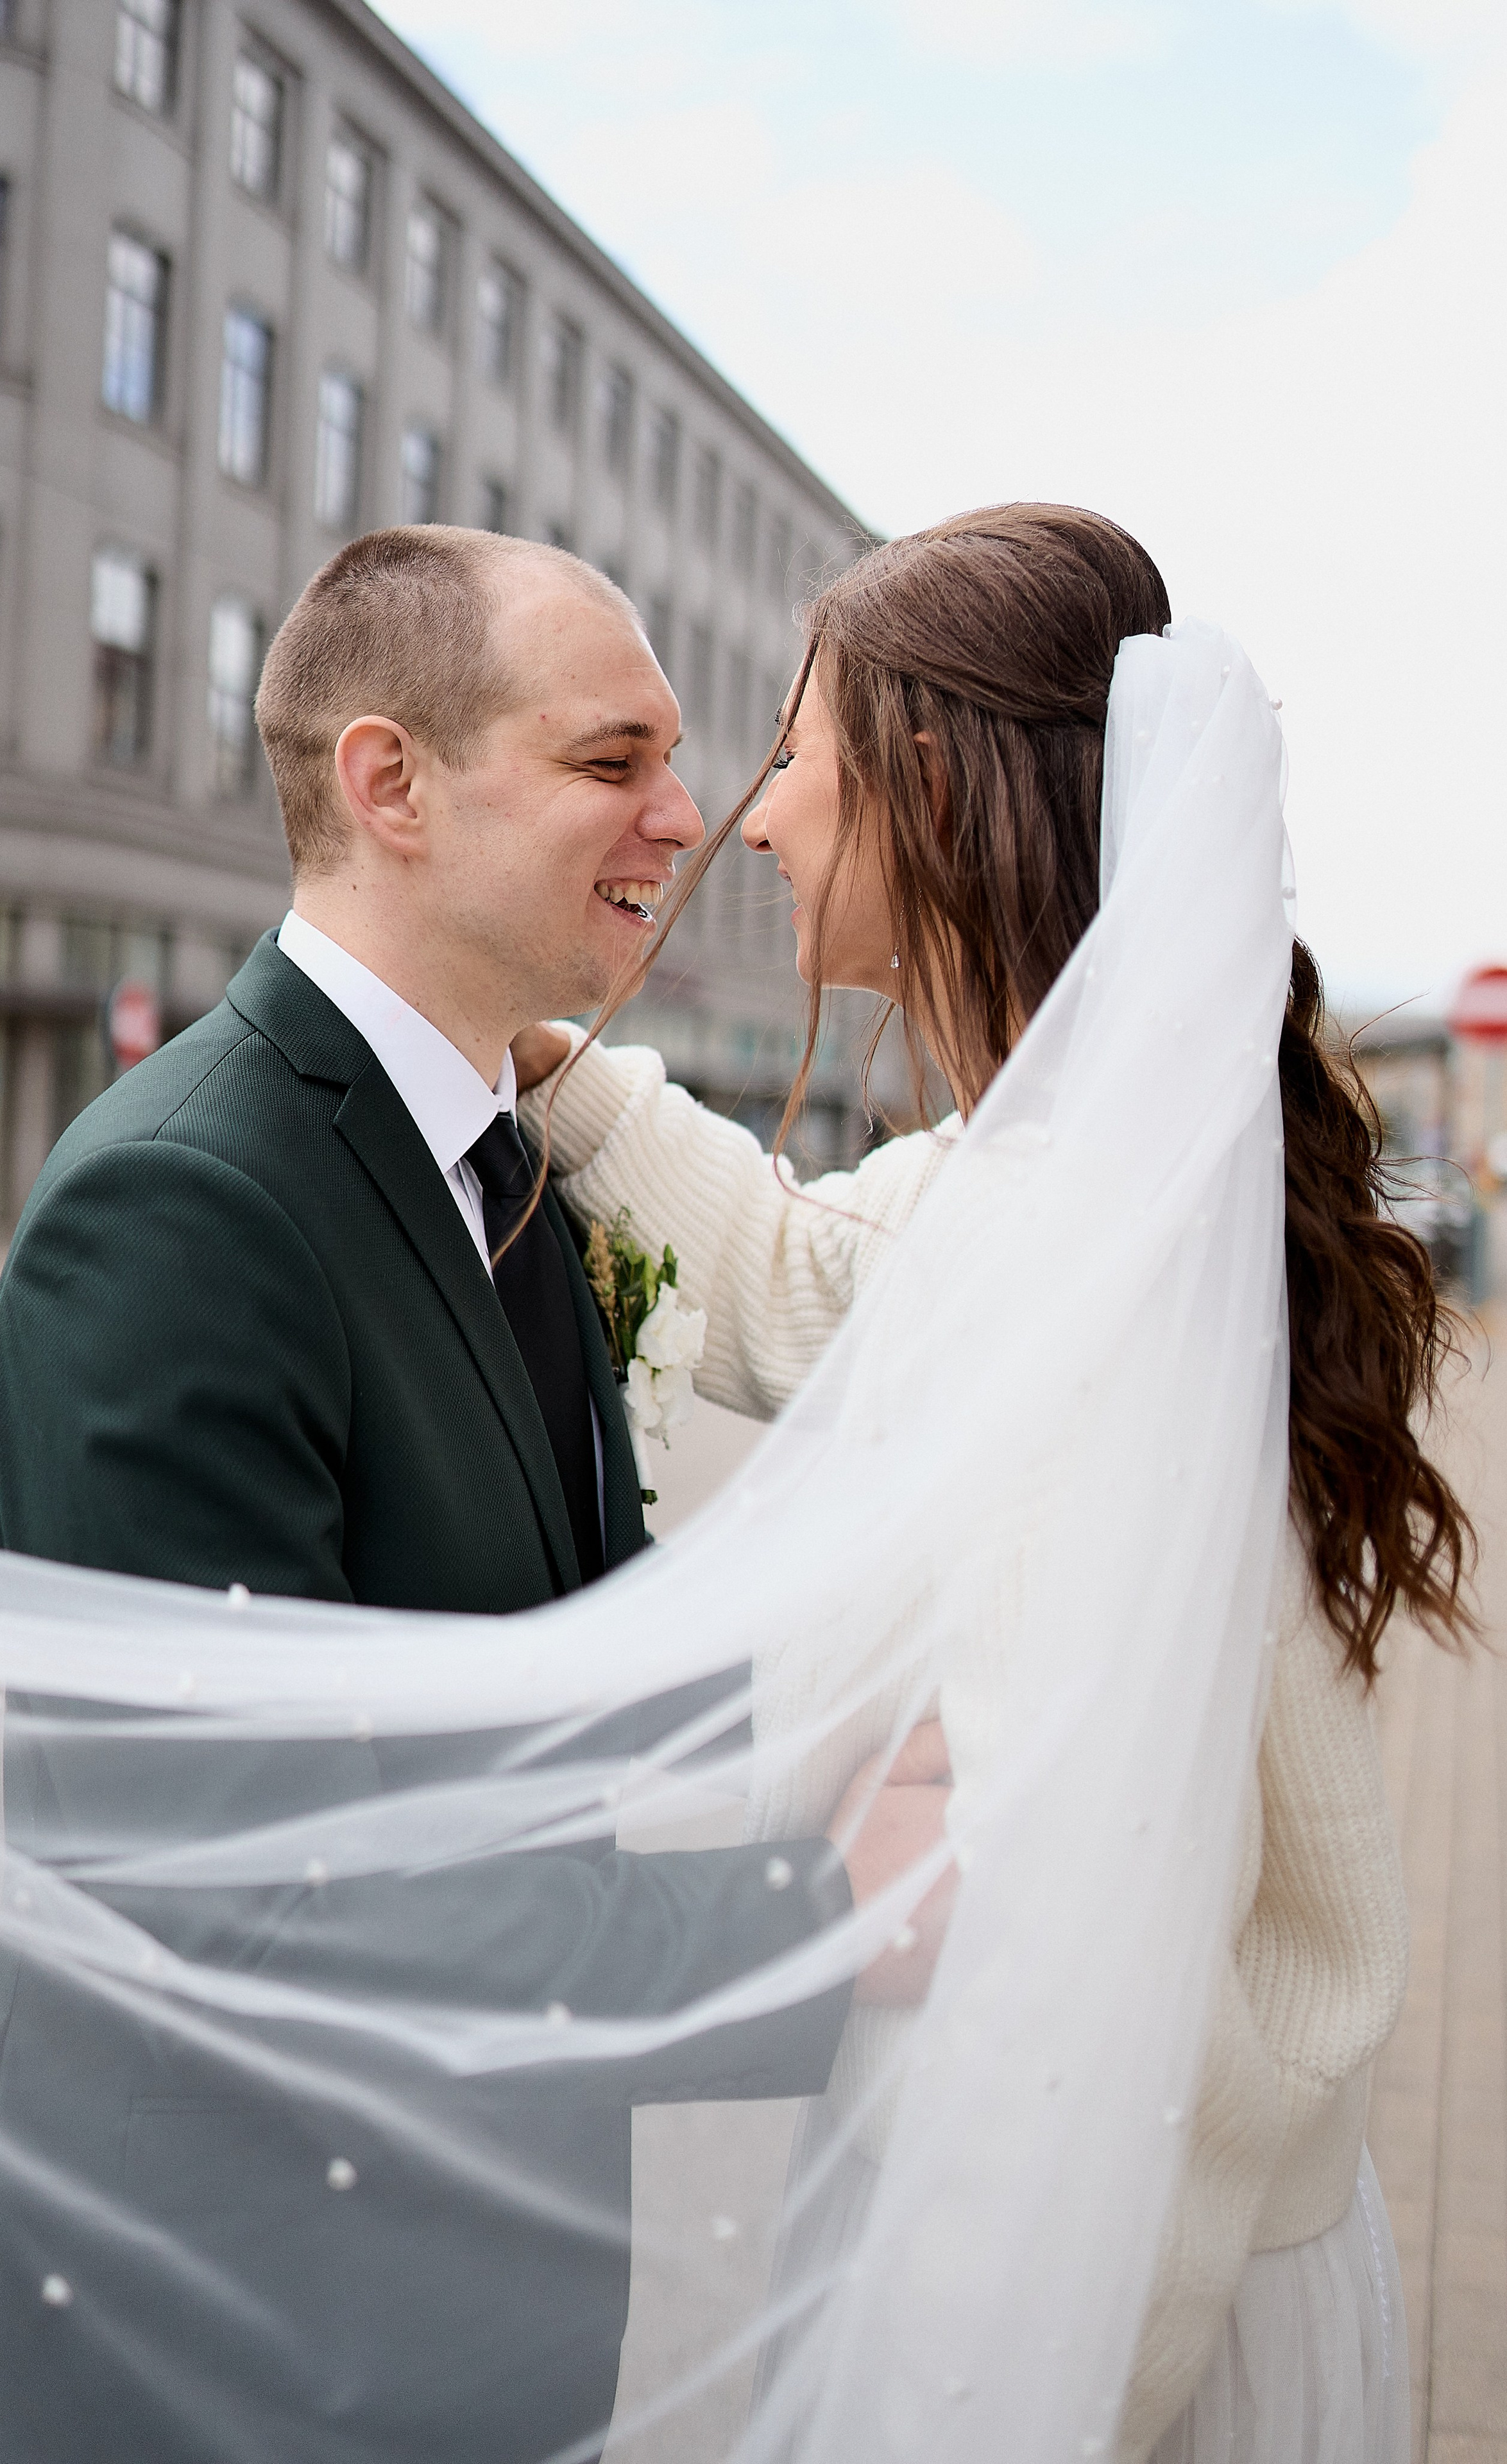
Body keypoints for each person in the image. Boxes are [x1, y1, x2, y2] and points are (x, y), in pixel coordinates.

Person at [0, 529, 955, 2464]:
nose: (689, 815)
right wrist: (821, 1918)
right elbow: (257, 1909)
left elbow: (558, 1665)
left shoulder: (513, 1159)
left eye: (679, 761)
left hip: (461, 2335)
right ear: (390, 784)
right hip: (194, 2348)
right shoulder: (182, 1208)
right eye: (613, 759)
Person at [510, 505, 1474, 2462]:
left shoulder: (1075, 1256)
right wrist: (526, 1055)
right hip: (1164, 2242)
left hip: (1097, 2290)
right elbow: (814, 1275)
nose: (750, 818)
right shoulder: (1084, 1183)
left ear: (928, 790)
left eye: (795, 753)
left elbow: (1076, 1952)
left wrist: (982, 2382)